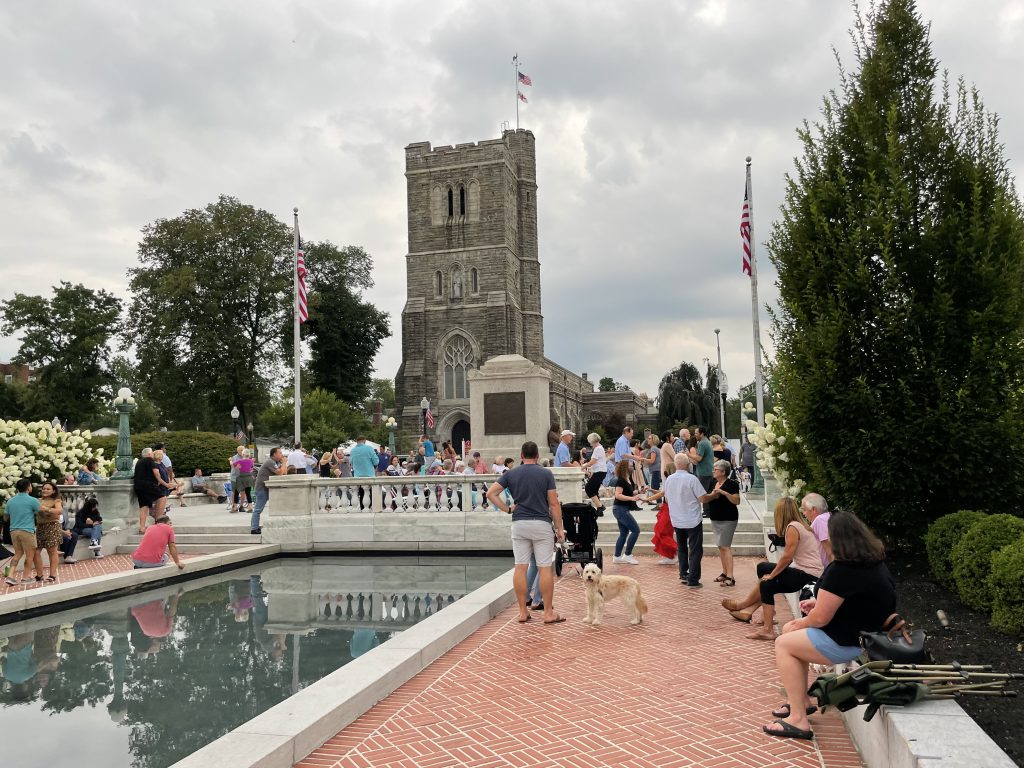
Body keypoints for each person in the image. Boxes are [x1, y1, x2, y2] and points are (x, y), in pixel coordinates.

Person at [763, 512, 896, 740]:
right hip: (866, 635)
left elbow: (820, 619)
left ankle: (798, 720)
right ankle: (801, 701)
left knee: (784, 643)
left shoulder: (842, 569)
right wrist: (818, 603)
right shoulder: (873, 563)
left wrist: (803, 620)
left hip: (848, 642)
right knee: (789, 633)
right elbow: (858, 599)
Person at [485, 441, 566, 625]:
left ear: (521, 456)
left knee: (520, 567)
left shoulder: (511, 474)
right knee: (544, 567)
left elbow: (490, 494)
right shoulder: (545, 474)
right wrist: (559, 528)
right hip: (541, 524)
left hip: (519, 523)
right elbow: (553, 503)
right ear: (537, 456)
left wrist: (507, 509)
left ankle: (522, 612)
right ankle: (547, 613)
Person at [722, 496, 824, 639]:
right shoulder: (800, 525)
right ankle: (755, 612)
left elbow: (787, 557)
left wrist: (773, 575)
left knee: (766, 583)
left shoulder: (793, 527)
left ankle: (751, 612)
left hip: (807, 575)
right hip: (806, 571)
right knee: (763, 569)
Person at [647, 453, 707, 587]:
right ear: (688, 464)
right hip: (692, 519)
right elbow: (702, 498)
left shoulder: (669, 480)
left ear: (675, 464)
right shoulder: (692, 479)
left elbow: (667, 498)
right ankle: (693, 579)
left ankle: (683, 573)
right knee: (695, 549)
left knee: (682, 547)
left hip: (677, 518)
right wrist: (712, 496)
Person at [705, 459, 741, 586]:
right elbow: (708, 497)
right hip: (715, 518)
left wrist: (724, 493)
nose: (713, 471)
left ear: (723, 471)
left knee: (725, 546)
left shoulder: (732, 484)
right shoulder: (713, 482)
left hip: (728, 519)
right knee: (720, 546)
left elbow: (736, 501)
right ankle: (724, 572)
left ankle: (730, 577)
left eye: (715, 469)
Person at [4, 478, 40, 585]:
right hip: (27, 530)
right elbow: (40, 514)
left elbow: (6, 518)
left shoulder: (10, 501)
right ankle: (25, 577)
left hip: (14, 531)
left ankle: (10, 576)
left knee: (18, 553)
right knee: (30, 555)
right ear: (29, 487)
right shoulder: (33, 500)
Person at [131, 589, 183, 658]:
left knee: (164, 601)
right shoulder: (146, 632)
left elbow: (171, 612)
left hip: (153, 600)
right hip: (135, 606)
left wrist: (177, 596)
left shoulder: (166, 631)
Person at [610, 459, 642, 565]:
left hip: (622, 509)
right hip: (620, 509)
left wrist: (640, 492)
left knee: (624, 533)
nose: (632, 467)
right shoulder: (620, 480)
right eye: (630, 465)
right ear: (624, 468)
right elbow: (618, 495)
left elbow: (630, 492)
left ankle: (617, 556)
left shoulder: (628, 479)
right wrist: (632, 498)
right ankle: (627, 555)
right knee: (636, 530)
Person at [252, 447, 288, 534]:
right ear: (274, 454)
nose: (281, 454)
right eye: (279, 453)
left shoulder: (276, 462)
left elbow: (284, 473)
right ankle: (254, 528)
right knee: (258, 509)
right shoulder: (270, 462)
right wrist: (283, 463)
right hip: (262, 488)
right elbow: (279, 473)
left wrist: (284, 463)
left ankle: (257, 527)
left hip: (268, 488)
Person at [34, 481, 64, 582]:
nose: (45, 490)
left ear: (53, 491)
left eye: (48, 489)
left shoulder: (56, 500)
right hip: (40, 527)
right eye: (44, 489)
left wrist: (46, 509)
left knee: (51, 551)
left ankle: (52, 575)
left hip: (52, 527)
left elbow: (59, 511)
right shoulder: (38, 500)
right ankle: (39, 575)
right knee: (36, 551)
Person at [133, 447, 165, 533]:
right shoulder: (149, 460)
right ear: (149, 454)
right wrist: (165, 484)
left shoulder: (139, 462)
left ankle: (142, 528)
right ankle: (158, 522)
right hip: (148, 485)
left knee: (144, 506)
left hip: (138, 486)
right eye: (152, 453)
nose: (153, 454)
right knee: (162, 498)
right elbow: (157, 474)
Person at [651, 464, 678, 564]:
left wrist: (648, 499)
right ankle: (670, 556)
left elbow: (662, 493)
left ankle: (676, 550)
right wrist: (651, 491)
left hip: (668, 510)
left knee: (662, 532)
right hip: (667, 508)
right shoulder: (671, 481)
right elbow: (662, 492)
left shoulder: (670, 481)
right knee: (664, 532)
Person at [803, 492, 833, 566]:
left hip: (822, 571)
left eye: (804, 510)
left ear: (813, 509)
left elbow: (829, 551)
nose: (804, 513)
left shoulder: (820, 520)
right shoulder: (827, 517)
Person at [580, 432, 607, 512]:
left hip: (600, 471)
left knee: (588, 488)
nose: (590, 443)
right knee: (594, 489)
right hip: (600, 471)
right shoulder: (600, 448)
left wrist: (584, 466)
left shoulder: (598, 448)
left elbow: (593, 461)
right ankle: (599, 508)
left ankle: (600, 506)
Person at [689, 426, 715, 494]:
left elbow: (699, 458)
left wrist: (687, 454)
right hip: (709, 472)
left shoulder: (702, 443)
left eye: (696, 433)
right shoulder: (708, 442)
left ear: (702, 433)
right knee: (708, 494)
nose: (695, 435)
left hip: (703, 473)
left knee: (703, 494)